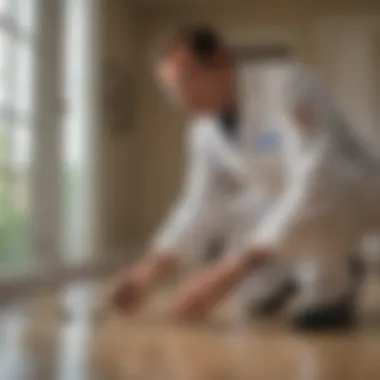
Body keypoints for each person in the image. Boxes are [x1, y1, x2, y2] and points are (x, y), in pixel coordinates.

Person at [109, 25, 367, 330]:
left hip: (350, 194)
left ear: (220, 62)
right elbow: (199, 203)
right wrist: (148, 272)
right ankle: (283, 278)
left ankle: (336, 280)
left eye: (187, 82)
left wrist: (227, 273)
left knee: (322, 197)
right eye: (171, 90)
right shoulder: (203, 129)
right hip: (283, 197)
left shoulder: (289, 85)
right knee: (250, 284)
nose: (181, 99)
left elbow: (318, 180)